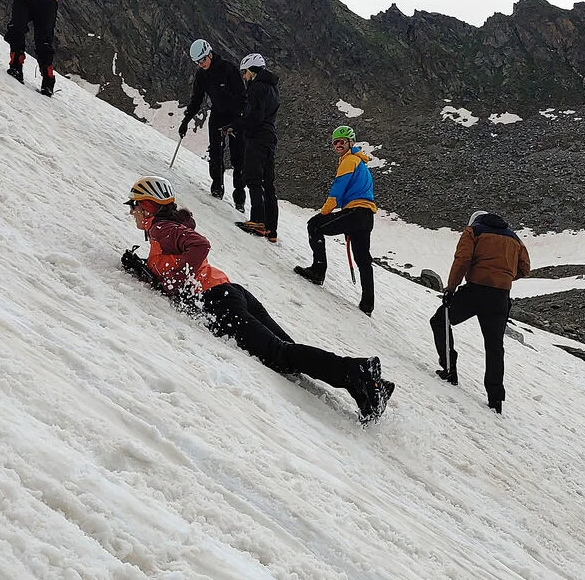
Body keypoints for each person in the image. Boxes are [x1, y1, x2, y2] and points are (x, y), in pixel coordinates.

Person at [120, 176, 394, 422]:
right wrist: (148, 269)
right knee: (288, 351)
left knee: (280, 355)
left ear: (148, 206)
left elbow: (199, 245)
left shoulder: (161, 228)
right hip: (230, 291)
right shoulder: (166, 230)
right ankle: (370, 385)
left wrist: (179, 278)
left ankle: (359, 372)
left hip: (217, 301)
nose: (132, 212)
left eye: (134, 205)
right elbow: (173, 262)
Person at [430, 210, 531, 414]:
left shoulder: (473, 232)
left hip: (475, 291)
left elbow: (462, 259)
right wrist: (504, 276)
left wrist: (451, 288)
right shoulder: (514, 238)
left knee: (440, 320)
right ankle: (495, 399)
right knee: (494, 347)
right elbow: (525, 268)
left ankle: (449, 369)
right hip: (500, 296)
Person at [294, 126, 377, 316]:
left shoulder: (349, 161)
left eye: (342, 141)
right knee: (363, 259)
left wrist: (324, 212)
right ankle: (368, 304)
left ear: (351, 143)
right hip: (366, 216)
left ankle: (318, 271)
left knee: (314, 225)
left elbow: (337, 190)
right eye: (335, 142)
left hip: (354, 212)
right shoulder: (361, 163)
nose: (338, 145)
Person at [178, 40, 248, 210]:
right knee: (215, 152)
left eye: (202, 60)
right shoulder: (201, 75)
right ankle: (217, 187)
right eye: (197, 62)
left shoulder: (228, 68)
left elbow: (242, 96)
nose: (201, 64)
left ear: (210, 54)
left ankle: (239, 198)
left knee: (238, 157)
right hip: (217, 114)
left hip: (235, 115)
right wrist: (185, 121)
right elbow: (196, 100)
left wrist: (238, 121)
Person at [232, 53, 280, 243]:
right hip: (270, 137)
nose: (244, 77)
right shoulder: (273, 88)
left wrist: (235, 126)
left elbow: (254, 117)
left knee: (253, 178)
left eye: (245, 73)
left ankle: (257, 221)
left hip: (257, 137)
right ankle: (271, 229)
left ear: (252, 71)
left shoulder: (257, 87)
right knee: (268, 183)